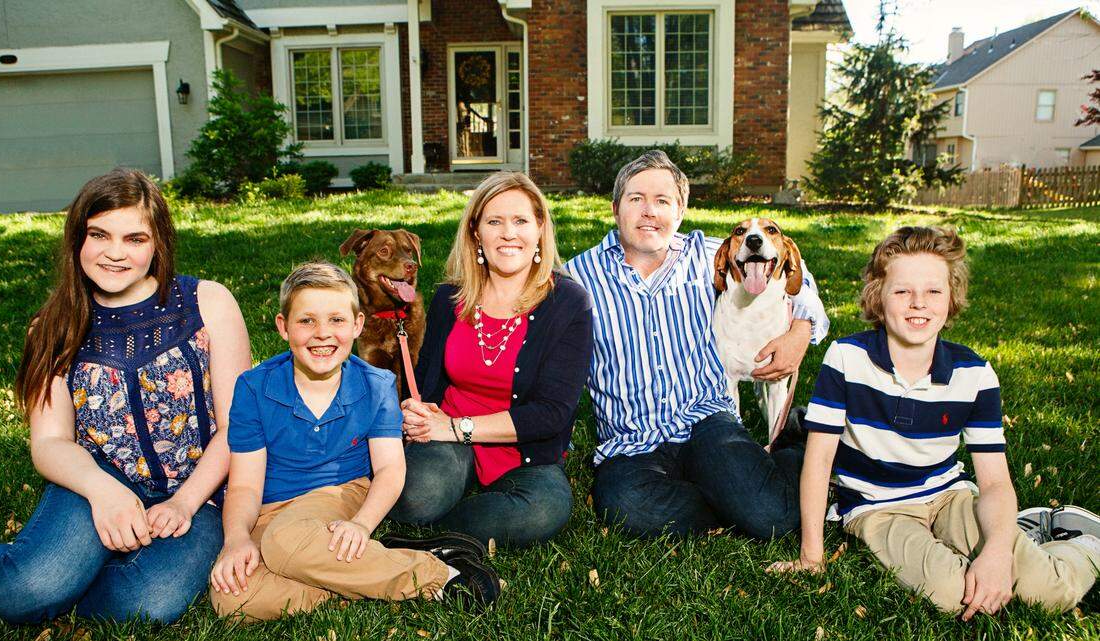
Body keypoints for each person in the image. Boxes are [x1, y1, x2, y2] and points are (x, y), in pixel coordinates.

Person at [0, 168, 252, 623]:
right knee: (32, 585)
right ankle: (34, 572)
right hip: (96, 482)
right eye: (100, 234)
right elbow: (51, 443)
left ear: (158, 245)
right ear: (78, 238)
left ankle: (61, 573)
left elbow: (238, 427)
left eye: (135, 239)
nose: (116, 253)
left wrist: (184, 502)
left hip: (202, 492)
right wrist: (105, 492)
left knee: (144, 606)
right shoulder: (53, 326)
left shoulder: (207, 302)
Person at [768, 226, 1099, 618]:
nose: (918, 304)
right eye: (903, 291)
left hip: (949, 495)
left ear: (951, 298)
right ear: (879, 297)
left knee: (1047, 592)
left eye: (934, 291)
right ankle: (1021, 531)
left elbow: (993, 481)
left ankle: (1081, 542)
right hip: (876, 509)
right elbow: (819, 462)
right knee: (952, 594)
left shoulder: (974, 374)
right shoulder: (845, 359)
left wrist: (995, 551)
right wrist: (811, 557)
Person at [209, 262, 500, 622]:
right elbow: (244, 487)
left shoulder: (375, 385)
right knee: (231, 600)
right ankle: (367, 567)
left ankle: (438, 576)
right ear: (283, 327)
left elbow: (391, 470)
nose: (322, 334)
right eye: (306, 321)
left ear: (357, 325)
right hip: (271, 512)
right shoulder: (255, 387)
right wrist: (236, 539)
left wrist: (361, 524)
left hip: (340, 494)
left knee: (284, 543)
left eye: (336, 320)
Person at [565, 150, 829, 540]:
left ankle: (790, 447)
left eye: (663, 201)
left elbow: (796, 272)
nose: (649, 212)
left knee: (775, 517)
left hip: (705, 421)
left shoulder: (708, 256)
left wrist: (800, 332)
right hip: (631, 439)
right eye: (636, 199)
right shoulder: (577, 276)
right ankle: (734, 497)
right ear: (615, 208)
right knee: (625, 506)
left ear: (681, 212)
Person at [387, 171, 593, 549]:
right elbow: (426, 379)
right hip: (446, 433)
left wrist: (455, 427)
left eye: (520, 221)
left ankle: (434, 536)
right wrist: (417, 414)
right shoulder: (451, 298)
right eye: (494, 221)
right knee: (416, 496)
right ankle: (444, 505)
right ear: (476, 232)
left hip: (523, 446)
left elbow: (552, 413)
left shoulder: (567, 303)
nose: (508, 233)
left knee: (544, 509)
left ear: (539, 229)